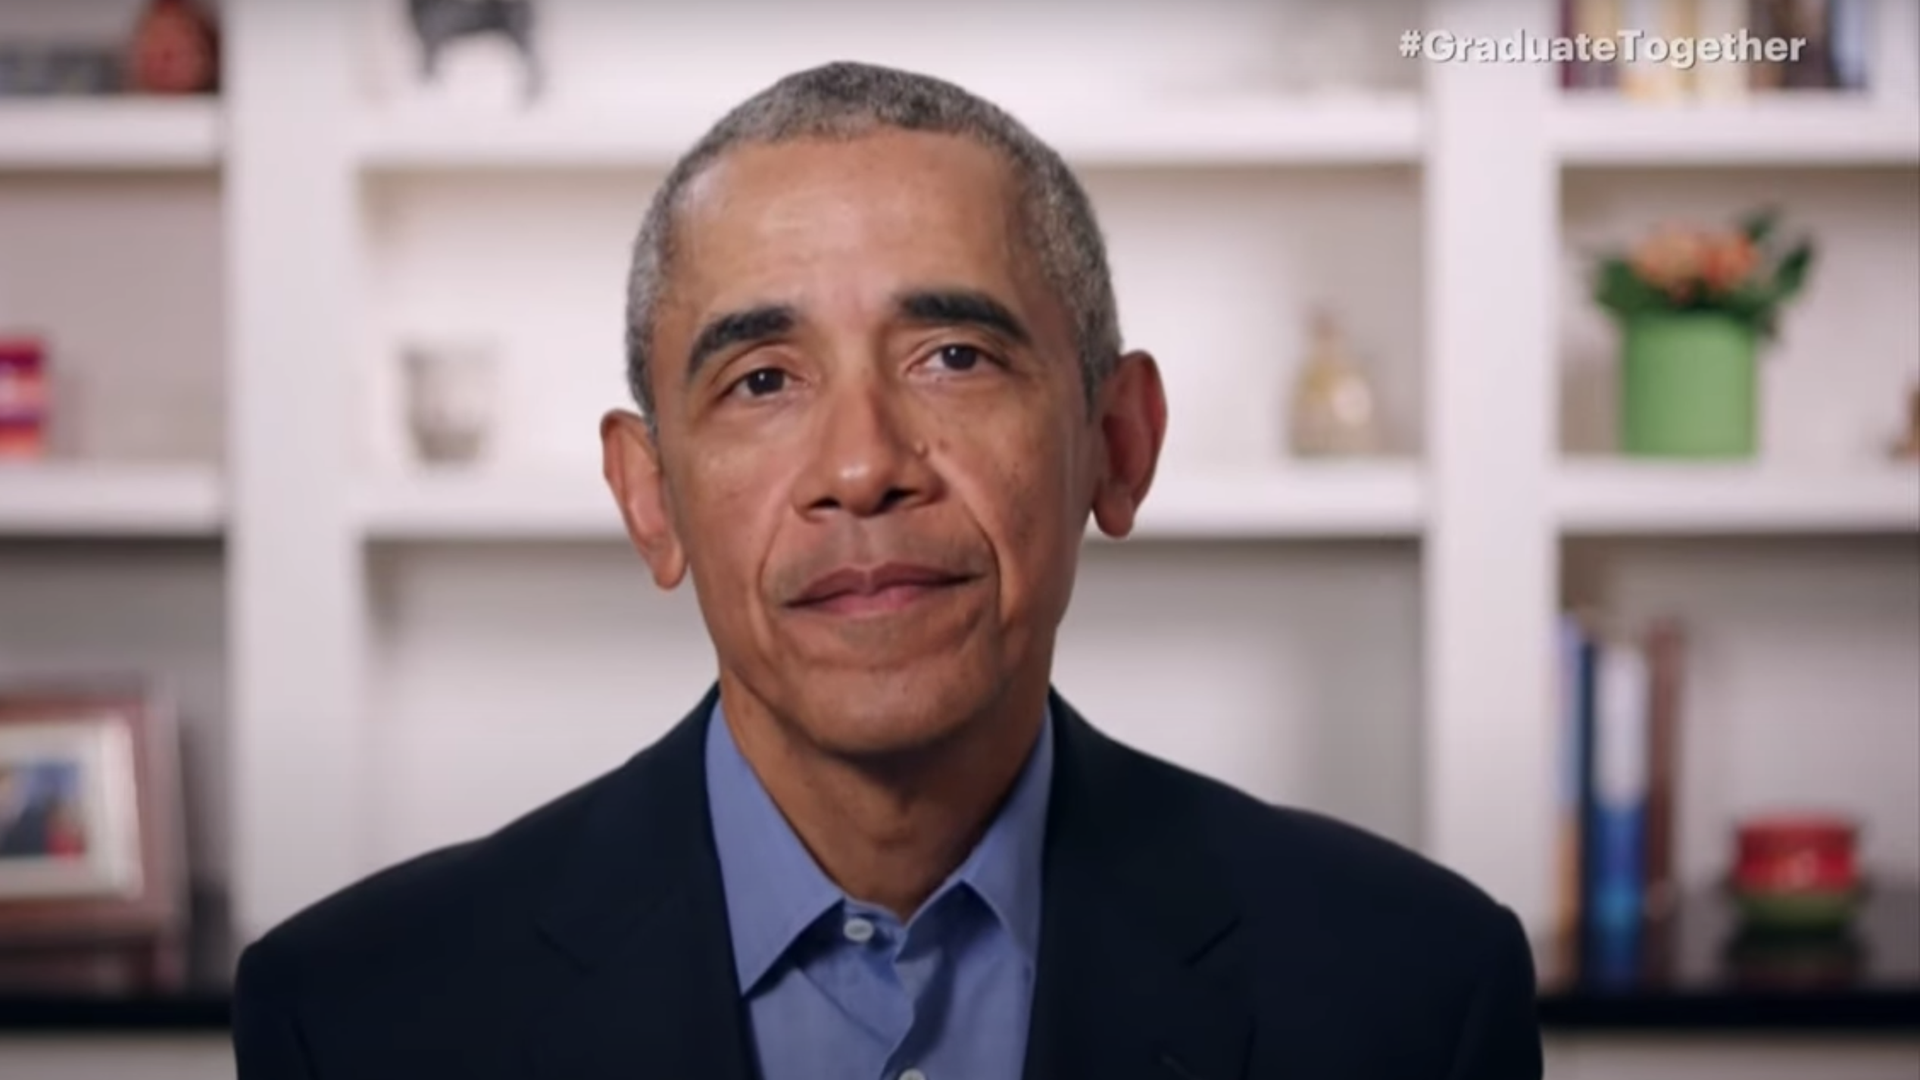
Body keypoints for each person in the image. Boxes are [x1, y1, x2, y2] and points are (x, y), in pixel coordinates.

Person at [232, 62, 1542, 1079]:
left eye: (954, 358)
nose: (862, 467)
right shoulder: (356, 1019)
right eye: (762, 381)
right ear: (650, 498)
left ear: (1118, 444)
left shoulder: (1412, 996)